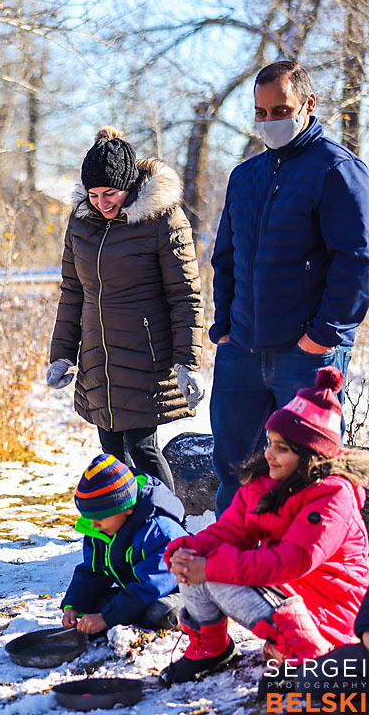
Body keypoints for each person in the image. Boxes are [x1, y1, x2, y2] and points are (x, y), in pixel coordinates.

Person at [210, 60, 369, 515]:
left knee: (310, 476)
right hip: (241, 350)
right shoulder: (245, 176)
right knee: (236, 470)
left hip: (306, 354)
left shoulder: (337, 169)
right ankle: (231, 568)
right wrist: (224, 325)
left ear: (308, 105)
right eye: (260, 112)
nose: (269, 121)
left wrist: (322, 334)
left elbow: (356, 262)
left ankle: (306, 577)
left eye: (280, 109)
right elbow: (225, 258)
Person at [162, 367, 369, 684]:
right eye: (270, 442)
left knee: (217, 573)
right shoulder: (267, 480)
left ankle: (309, 657)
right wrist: (190, 548)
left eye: (282, 448)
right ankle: (211, 649)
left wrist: (212, 566)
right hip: (291, 594)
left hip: (333, 611)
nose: (269, 453)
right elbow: (232, 530)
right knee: (196, 565)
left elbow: (290, 561)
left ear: (312, 456)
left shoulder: (332, 496)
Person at [47, 126, 205, 494]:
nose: (102, 203)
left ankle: (168, 529)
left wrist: (187, 362)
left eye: (111, 193)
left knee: (143, 449)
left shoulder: (162, 219)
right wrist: (61, 356)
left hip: (145, 356)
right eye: (94, 194)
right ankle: (127, 533)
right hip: (98, 357)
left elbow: (185, 296)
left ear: (129, 186)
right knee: (112, 455)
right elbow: (73, 292)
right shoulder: (81, 222)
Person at [61, 453, 187, 635]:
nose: (94, 525)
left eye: (100, 518)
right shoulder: (103, 528)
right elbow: (93, 570)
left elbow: (151, 585)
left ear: (126, 507)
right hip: (138, 590)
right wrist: (74, 605)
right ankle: (122, 615)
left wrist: (106, 618)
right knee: (93, 605)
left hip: (181, 591)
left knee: (159, 612)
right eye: (90, 518)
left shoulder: (160, 531)